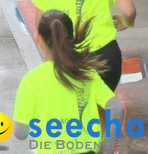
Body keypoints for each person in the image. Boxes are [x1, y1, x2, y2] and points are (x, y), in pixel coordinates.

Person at [11, 11, 123, 151]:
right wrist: (106, 149)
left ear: (39, 39)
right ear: (71, 38)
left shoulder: (31, 81)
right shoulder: (88, 75)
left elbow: (20, 133)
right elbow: (116, 108)